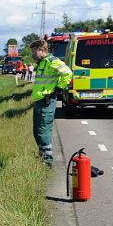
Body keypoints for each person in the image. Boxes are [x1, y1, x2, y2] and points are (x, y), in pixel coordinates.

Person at [31, 39, 72, 167]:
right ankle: (42, 155)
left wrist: (58, 89)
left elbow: (67, 73)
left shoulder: (52, 61)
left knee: (43, 130)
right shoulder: (42, 62)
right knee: (37, 131)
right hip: (39, 100)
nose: (32, 54)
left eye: (34, 51)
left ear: (41, 50)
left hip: (46, 101)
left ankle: (47, 161)